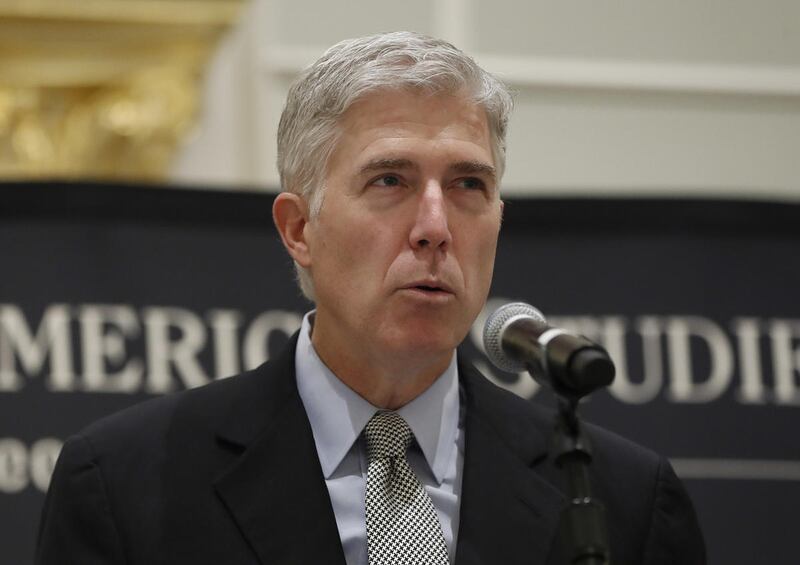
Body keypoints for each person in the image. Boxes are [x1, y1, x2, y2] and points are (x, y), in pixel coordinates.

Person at [36, 32, 705, 565]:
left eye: (469, 184)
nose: (436, 227)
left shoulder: (619, 496)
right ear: (300, 229)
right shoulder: (125, 484)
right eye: (390, 179)